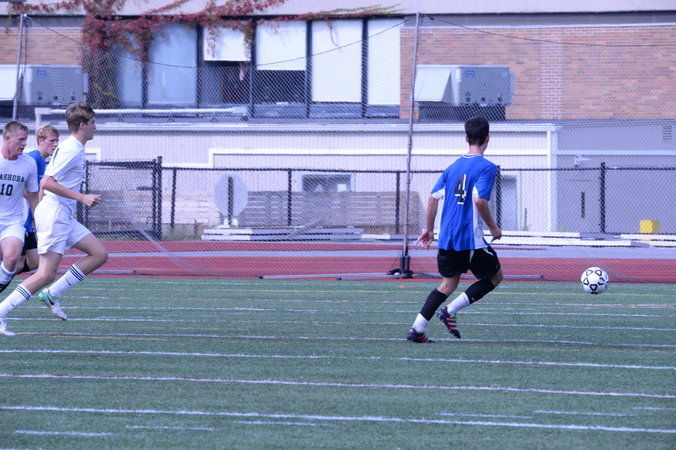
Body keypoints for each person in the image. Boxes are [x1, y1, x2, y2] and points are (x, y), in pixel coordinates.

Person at [0, 102, 108, 336]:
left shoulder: (73, 147)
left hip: (62, 215)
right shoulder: (71, 148)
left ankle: (53, 293)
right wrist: (81, 197)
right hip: (55, 213)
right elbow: (46, 182)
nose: (95, 126)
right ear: (82, 125)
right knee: (45, 274)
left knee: (99, 254)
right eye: (93, 122)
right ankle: (1, 312)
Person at [407, 116, 503, 343]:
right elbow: (479, 200)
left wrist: (428, 228)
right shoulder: (486, 167)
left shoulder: (452, 168)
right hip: (468, 238)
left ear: (466, 138)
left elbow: (433, 198)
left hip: (447, 237)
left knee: (448, 284)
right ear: (488, 138)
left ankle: (417, 329)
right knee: (495, 277)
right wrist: (493, 227)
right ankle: (449, 311)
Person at [0, 121, 40, 294]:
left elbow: (33, 196)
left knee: (11, 260)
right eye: (21, 140)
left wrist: (40, 222)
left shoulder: (29, 163)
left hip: (12, 221)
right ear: (8, 138)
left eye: (25, 139)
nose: (24, 143)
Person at [17, 125, 60, 275]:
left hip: (28, 221)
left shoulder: (42, 161)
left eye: (57, 141)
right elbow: (19, 186)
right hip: (19, 219)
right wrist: (38, 207)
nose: (55, 144)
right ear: (40, 141)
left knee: (35, 262)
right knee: (16, 263)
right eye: (52, 141)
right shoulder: (32, 159)